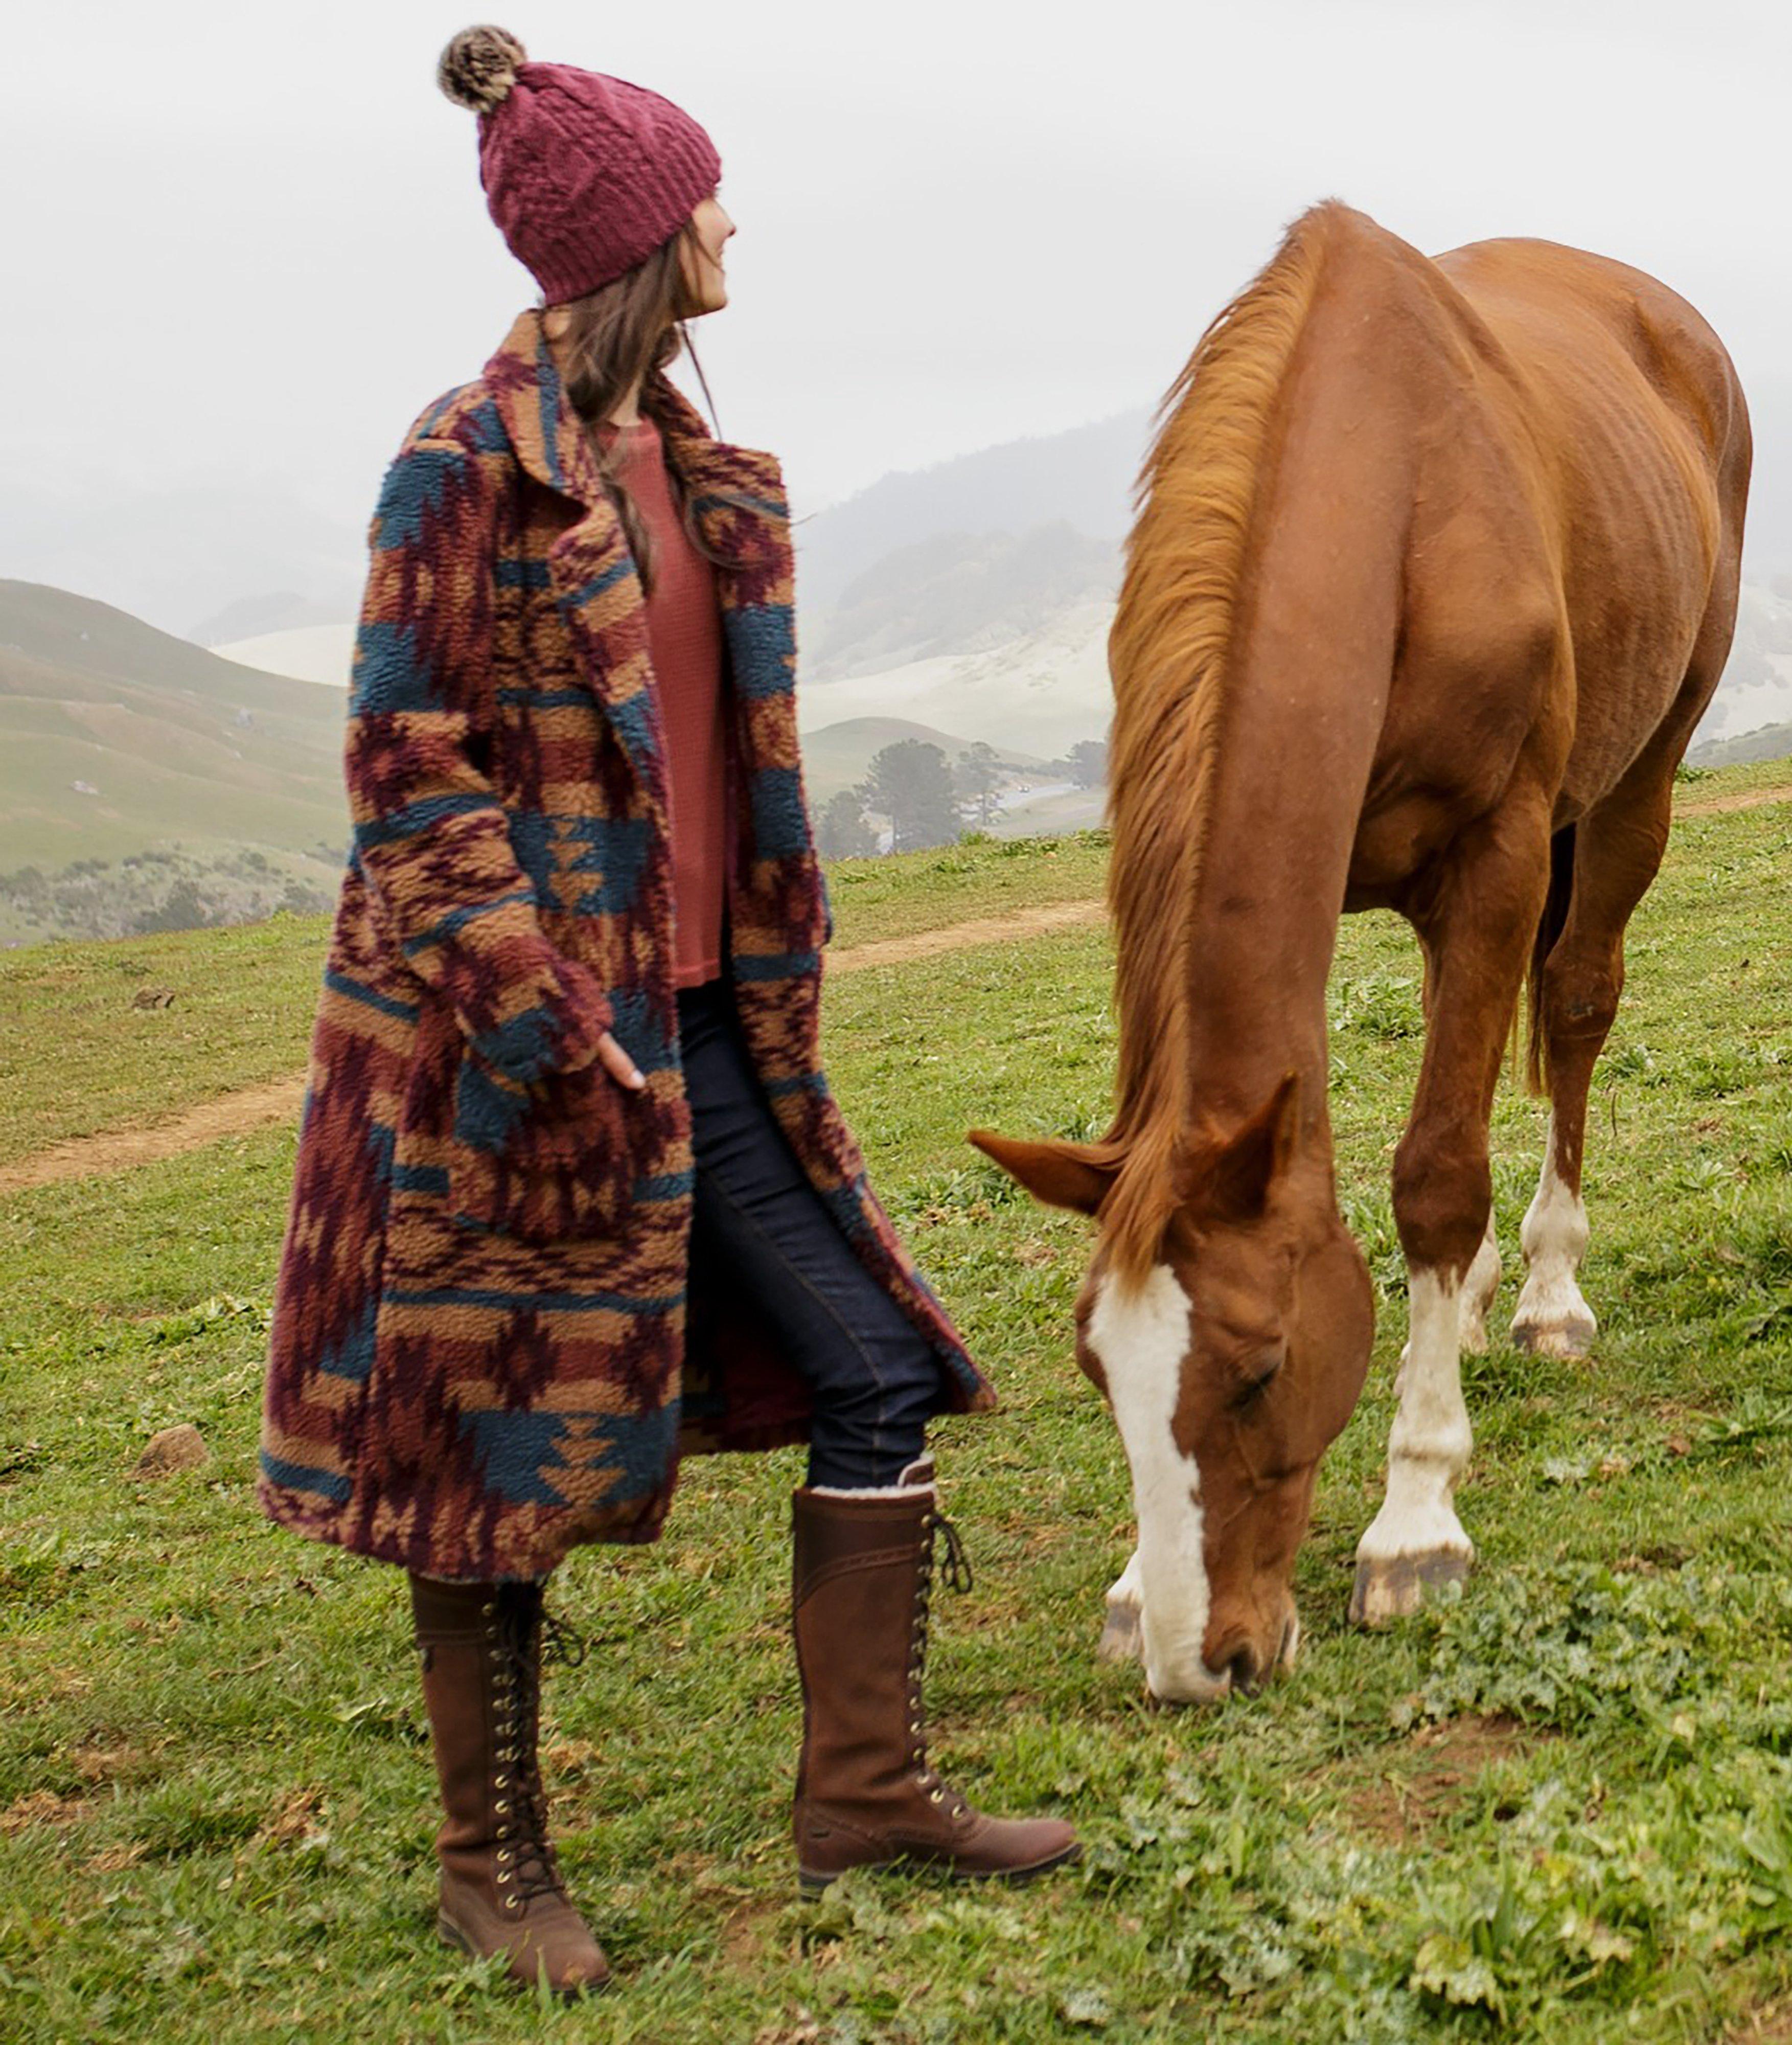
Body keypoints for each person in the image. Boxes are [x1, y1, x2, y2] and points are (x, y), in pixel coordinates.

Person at [257, 24, 1077, 1996]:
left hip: (708, 1035)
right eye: (704, 191)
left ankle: (864, 1797)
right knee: (492, 1464)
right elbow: (401, 758)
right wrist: (536, 1008)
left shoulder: (692, 475)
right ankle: (493, 1863)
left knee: (874, 1362)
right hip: (511, 1063)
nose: (731, 218)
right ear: (635, 237)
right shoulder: (461, 464)